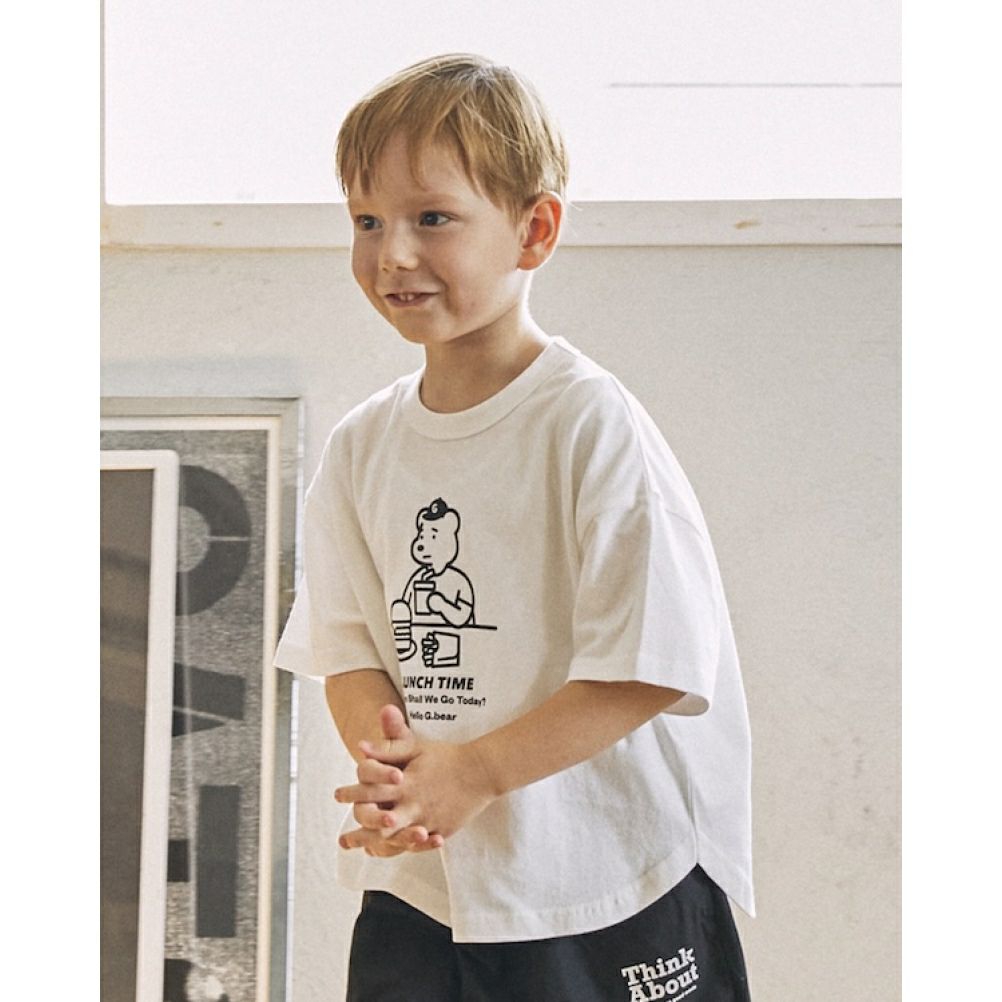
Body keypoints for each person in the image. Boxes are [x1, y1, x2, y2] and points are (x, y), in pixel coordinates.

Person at [274, 52, 754, 1002]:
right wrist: (399, 778)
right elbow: (348, 646)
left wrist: (480, 772)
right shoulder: (362, 446)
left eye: (432, 218)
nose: (392, 253)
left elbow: (656, 662)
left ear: (533, 231)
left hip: (606, 880)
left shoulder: (588, 422)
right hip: (427, 886)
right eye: (367, 221)